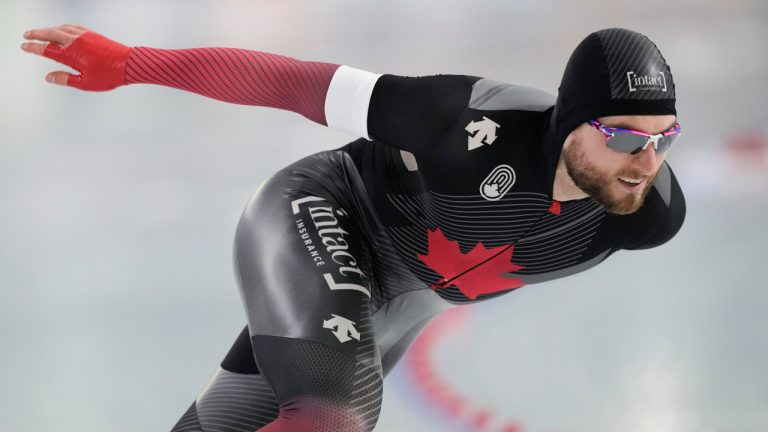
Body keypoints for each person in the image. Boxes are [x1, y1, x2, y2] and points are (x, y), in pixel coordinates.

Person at [21, 23, 685, 432]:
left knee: (240, 419)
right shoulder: (460, 121)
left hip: (406, 298)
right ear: (570, 121)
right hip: (327, 211)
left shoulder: (648, 216)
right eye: (624, 134)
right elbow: (289, 82)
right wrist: (133, 63)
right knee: (332, 420)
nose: (645, 160)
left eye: (664, 137)